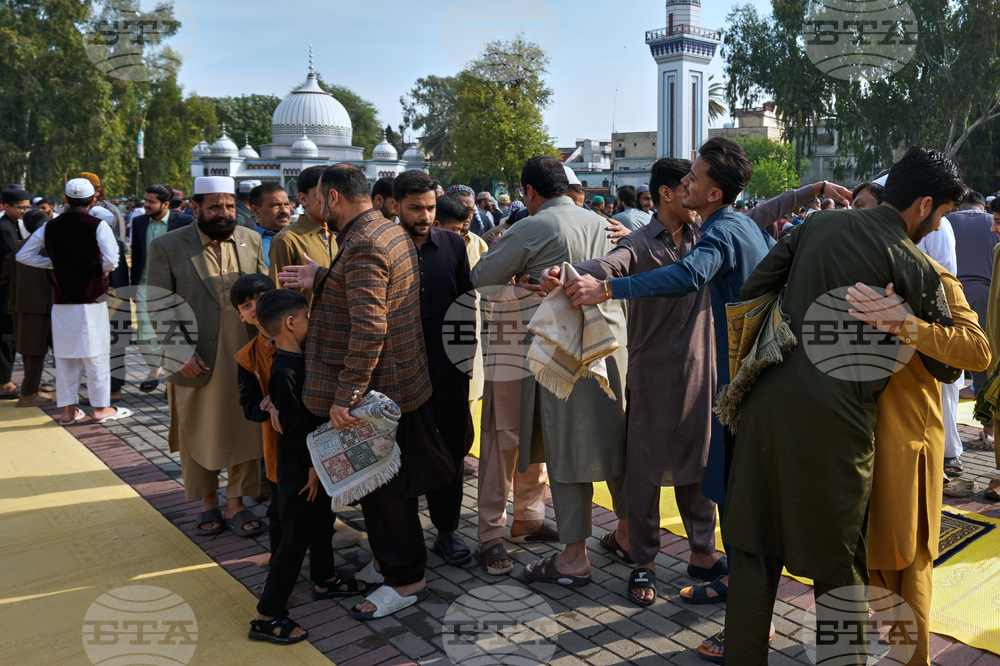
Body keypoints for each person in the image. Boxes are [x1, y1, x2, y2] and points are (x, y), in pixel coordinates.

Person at [720, 146, 967, 664]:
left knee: (752, 551)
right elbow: (949, 366)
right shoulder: (916, 267)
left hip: (765, 411)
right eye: (941, 215)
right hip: (840, 428)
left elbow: (751, 292)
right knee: (839, 573)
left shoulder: (813, 229)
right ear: (923, 205)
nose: (937, 226)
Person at [542, 157, 725, 606]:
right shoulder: (640, 243)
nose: (693, 195)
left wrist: (813, 190)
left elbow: (758, 214)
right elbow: (608, 264)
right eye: (687, 187)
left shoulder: (710, 234)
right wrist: (563, 275)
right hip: (652, 376)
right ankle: (642, 561)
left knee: (699, 470)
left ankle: (702, 555)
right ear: (666, 193)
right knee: (643, 473)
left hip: (703, 374)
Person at [278, 164, 452, 620]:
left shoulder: (365, 243)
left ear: (332, 197)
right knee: (386, 490)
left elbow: (371, 326)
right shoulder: (384, 231)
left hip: (377, 392)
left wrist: (346, 395)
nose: (309, 208)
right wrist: (324, 279)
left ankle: (406, 580)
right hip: (401, 382)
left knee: (385, 494)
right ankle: (390, 562)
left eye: (313, 199)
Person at [471, 156, 626, 586]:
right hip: (587, 350)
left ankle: (491, 534)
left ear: (529, 192)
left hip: (524, 345)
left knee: (504, 435)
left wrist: (517, 282)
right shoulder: (602, 224)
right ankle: (530, 517)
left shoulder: (529, 226)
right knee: (552, 435)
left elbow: (481, 278)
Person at [865, 205, 990, 666]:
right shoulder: (844, 268)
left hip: (905, 441)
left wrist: (908, 326)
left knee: (907, 559)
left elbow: (977, 351)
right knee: (873, 559)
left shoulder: (929, 277)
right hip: (857, 439)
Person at [146, 176, 267, 539]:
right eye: (215, 206)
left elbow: (264, 290)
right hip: (195, 357)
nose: (224, 213)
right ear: (195, 207)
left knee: (245, 427)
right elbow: (156, 301)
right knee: (199, 429)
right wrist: (179, 352)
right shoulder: (168, 245)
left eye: (230, 206)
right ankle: (207, 502)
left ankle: (237, 502)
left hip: (244, 355)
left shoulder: (251, 239)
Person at [248, 289, 364, 645]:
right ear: (290, 322)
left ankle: (325, 580)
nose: (311, 323)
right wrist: (315, 470)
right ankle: (267, 616)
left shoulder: (299, 357)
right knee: (294, 539)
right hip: (302, 470)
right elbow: (297, 432)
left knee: (321, 523)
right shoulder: (284, 372)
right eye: (308, 317)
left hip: (314, 465)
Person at [394, 171, 476, 566]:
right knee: (400, 454)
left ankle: (447, 531)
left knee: (450, 450)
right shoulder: (381, 247)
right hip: (397, 375)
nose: (425, 215)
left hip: (448, 373)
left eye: (429, 207)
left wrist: (465, 362)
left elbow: (465, 304)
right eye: (415, 208)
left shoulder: (453, 245)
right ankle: (400, 538)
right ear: (394, 206)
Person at [15, 179, 132, 424]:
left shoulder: (50, 226)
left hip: (62, 302)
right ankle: (100, 409)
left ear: (65, 200)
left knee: (66, 358)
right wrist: (98, 269)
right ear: (92, 200)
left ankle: (68, 412)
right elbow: (112, 260)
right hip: (92, 301)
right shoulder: (98, 225)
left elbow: (23, 255)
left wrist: (54, 264)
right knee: (96, 356)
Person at [232, 274, 281, 551]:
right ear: (240, 316)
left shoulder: (304, 335)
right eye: (246, 305)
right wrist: (267, 408)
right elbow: (249, 406)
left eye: (260, 299)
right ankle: (279, 562)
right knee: (279, 510)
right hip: (277, 443)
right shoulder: (246, 355)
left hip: (317, 438)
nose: (255, 308)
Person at [130, 184, 194, 393]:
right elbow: (137, 255)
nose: (145, 205)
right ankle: (154, 368)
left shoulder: (184, 221)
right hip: (144, 284)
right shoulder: (138, 222)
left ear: (166, 204)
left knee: (174, 331)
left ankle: (172, 374)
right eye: (145, 200)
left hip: (175, 284)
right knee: (145, 333)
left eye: (151, 202)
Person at [1, 210, 54, 407]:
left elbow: (5, 275)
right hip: (42, 307)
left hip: (20, 305)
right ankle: (28, 394)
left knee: (29, 351)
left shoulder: (18, 247)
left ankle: (30, 390)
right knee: (36, 352)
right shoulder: (47, 248)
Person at [948, 191, 996, 399]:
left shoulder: (947, 219)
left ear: (960, 206)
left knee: (948, 348)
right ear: (982, 206)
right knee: (984, 350)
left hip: (952, 293)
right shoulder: (993, 221)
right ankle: (987, 417)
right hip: (987, 293)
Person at [268, 166, 336, 310]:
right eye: (321, 196)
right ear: (303, 199)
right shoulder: (287, 240)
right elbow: (279, 295)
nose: (329, 202)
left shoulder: (340, 234)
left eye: (332, 196)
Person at [0, 188, 31, 399]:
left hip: (10, 288)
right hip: (4, 291)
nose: (24, 211)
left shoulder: (13, 225)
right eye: (20, 207)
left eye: (27, 207)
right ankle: (4, 383)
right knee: (5, 337)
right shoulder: (4, 228)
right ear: (6, 206)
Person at [250, 184, 293, 267]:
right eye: (276, 205)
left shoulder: (299, 236)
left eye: (287, 204)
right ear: (255, 211)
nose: (284, 210)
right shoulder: (249, 243)